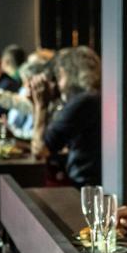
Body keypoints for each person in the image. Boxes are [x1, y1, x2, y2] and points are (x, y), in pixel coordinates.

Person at [30, 46, 101, 187]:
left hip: (84, 187)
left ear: (64, 73)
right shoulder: (98, 95)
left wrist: (40, 106)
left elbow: (40, 150)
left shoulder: (84, 101)